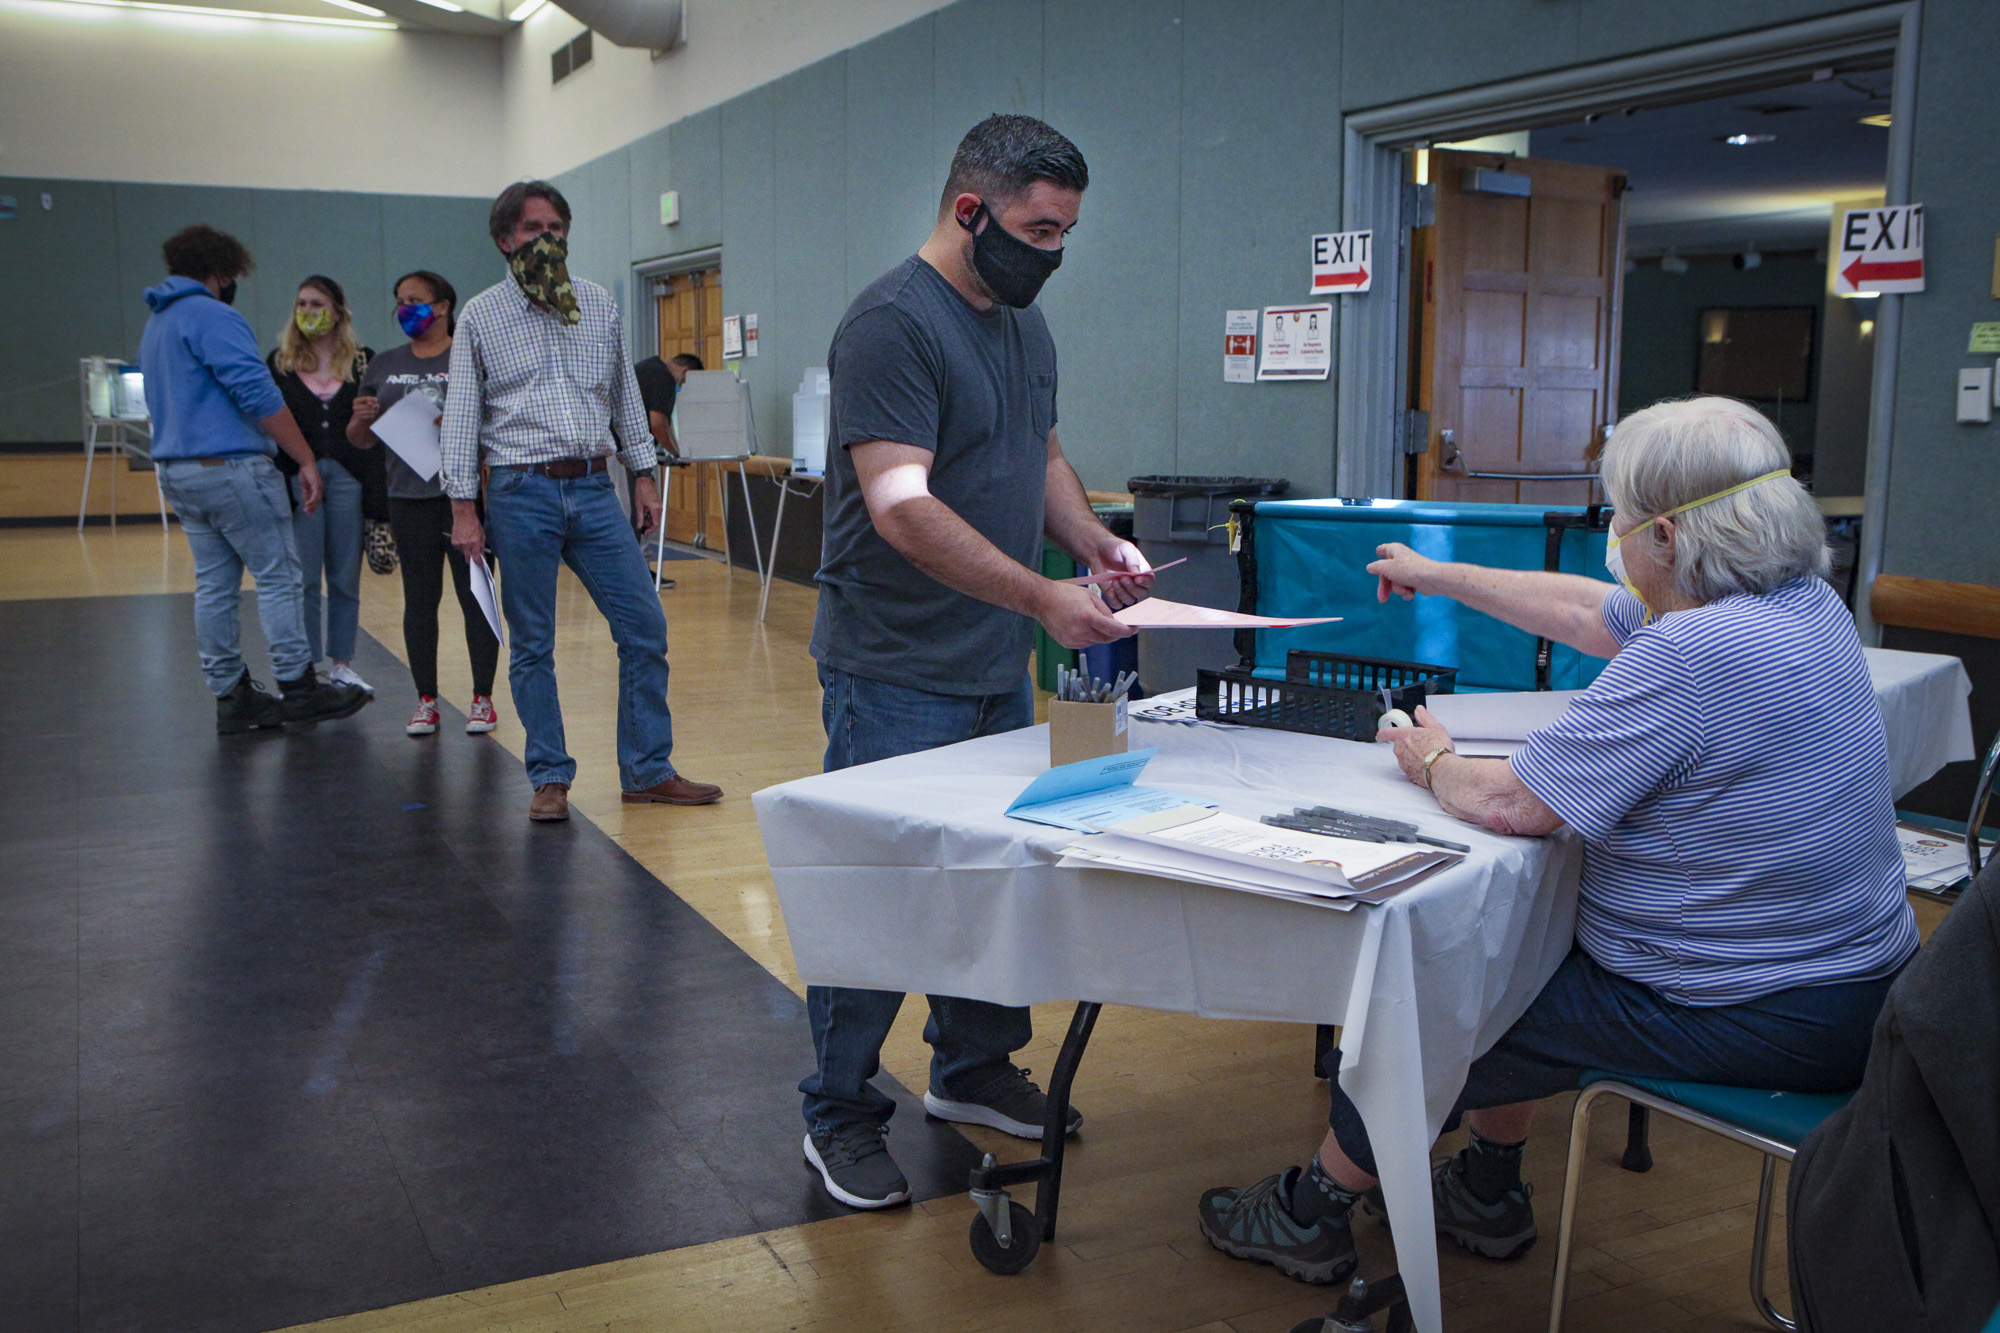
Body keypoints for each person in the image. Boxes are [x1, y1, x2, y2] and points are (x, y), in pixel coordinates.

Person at [1197, 396, 1918, 1286]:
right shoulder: (1804, 605)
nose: (1611, 536)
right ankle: (1489, 1190)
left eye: (1619, 517)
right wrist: (1440, 573)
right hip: (1856, 988)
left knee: (1441, 1002)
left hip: (1758, 1008)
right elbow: (1590, 613)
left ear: (1665, 537)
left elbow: (1511, 804)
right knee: (1530, 944)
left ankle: (1311, 1210)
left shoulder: (1694, 653)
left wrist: (1429, 760)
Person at [799, 114, 1151, 1211]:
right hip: (893, 666)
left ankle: (971, 1068)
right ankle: (839, 1108)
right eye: (1038, 229)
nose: (1052, 252)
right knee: (882, 895)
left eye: (1066, 233)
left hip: (998, 660)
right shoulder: (889, 325)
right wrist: (1045, 595)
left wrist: (1089, 543)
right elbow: (901, 508)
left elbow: (1036, 453)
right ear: (969, 211)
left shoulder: (1020, 328)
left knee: (1003, 880)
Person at [440, 180, 721, 823]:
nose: (549, 240)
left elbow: (625, 395)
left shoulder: (597, 304)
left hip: (595, 486)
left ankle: (647, 768)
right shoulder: (481, 316)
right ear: (506, 240)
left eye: (558, 229)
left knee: (645, 629)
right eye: (535, 229)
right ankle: (549, 777)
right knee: (534, 643)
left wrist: (644, 475)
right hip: (519, 489)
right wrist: (463, 507)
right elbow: (461, 416)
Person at [140, 225, 371, 733]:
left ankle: (230, 695)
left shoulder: (157, 322)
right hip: (230, 469)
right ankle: (299, 685)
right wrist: (304, 458)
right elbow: (259, 395)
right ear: (221, 273)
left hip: (178, 472)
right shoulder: (214, 316)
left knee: (215, 587)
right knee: (280, 577)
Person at [349, 270, 502, 738]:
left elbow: (495, 426)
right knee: (419, 601)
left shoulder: (469, 357)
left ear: (443, 307)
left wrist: (454, 426)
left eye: (414, 300)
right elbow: (359, 440)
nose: (404, 309)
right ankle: (426, 701)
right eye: (399, 301)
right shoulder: (383, 364)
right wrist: (362, 419)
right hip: (407, 497)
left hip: (466, 497)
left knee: (476, 596)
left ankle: (482, 699)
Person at [267, 274, 378, 694]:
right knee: (305, 576)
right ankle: (307, 663)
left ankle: (342, 662)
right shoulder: (280, 363)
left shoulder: (363, 361)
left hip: (350, 477)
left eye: (317, 304)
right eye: (302, 304)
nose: (308, 312)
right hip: (300, 478)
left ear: (337, 311)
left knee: (345, 576)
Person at [627, 350, 703, 586]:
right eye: (684, 382)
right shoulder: (664, 378)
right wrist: (677, 451)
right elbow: (657, 422)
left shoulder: (647, 366)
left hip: (616, 449)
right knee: (637, 514)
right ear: (686, 372)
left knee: (633, 514)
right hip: (626, 454)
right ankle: (637, 574)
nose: (681, 386)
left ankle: (637, 571)